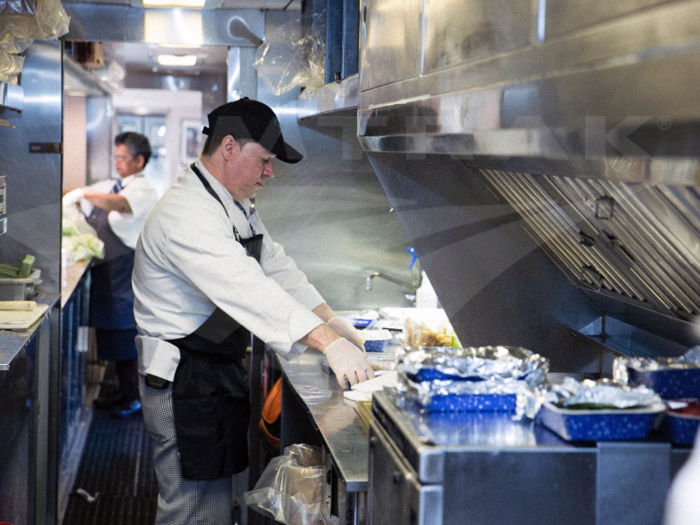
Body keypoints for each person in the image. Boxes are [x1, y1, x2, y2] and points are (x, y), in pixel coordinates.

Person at [131, 97, 374, 525]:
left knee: (212, 506)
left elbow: (276, 267)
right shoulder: (187, 214)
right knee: (192, 512)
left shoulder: (231, 204)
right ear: (228, 147)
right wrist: (327, 343)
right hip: (182, 382)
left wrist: (331, 320)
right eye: (263, 160)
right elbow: (248, 288)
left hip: (209, 373)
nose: (270, 172)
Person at [63, 132, 159, 419]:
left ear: (139, 161)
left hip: (124, 277)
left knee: (125, 337)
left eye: (123, 158)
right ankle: (121, 391)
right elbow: (93, 195)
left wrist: (84, 195)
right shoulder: (110, 185)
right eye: (115, 157)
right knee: (112, 338)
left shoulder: (142, 189)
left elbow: (119, 204)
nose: (117, 163)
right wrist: (77, 197)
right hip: (107, 275)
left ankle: (134, 399)